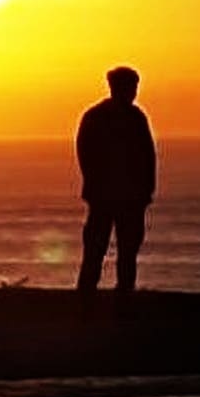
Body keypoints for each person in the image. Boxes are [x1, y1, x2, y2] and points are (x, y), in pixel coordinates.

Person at [75, 66, 156, 294]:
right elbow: (86, 153)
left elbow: (148, 156)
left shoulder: (134, 117)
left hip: (125, 197)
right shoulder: (100, 117)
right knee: (97, 249)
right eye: (131, 87)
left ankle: (117, 294)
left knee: (125, 251)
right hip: (109, 196)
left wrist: (146, 190)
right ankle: (88, 295)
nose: (134, 92)